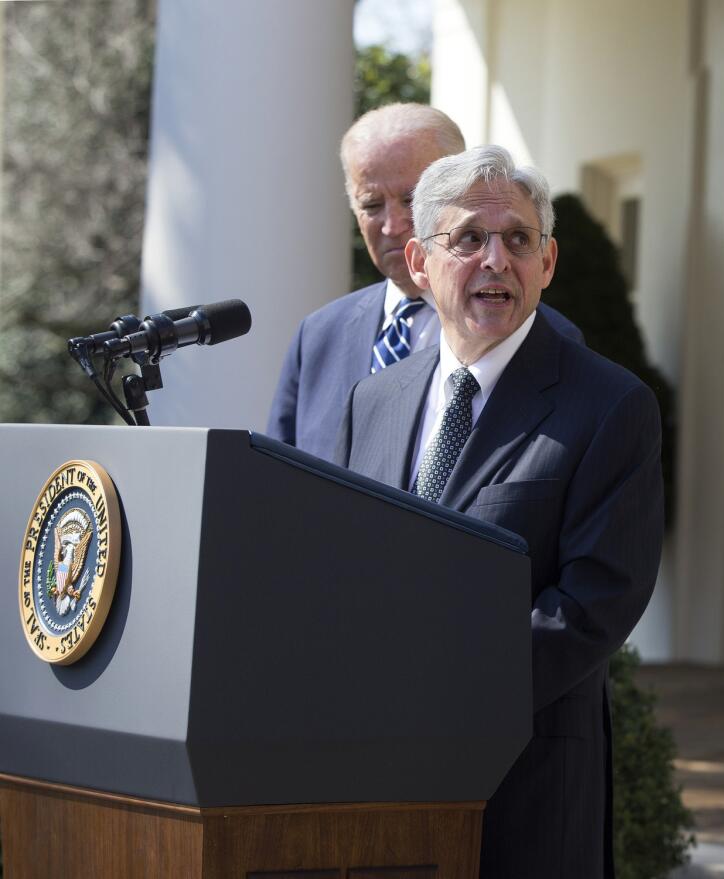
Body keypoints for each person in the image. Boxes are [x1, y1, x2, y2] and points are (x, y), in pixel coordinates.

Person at [335, 144, 663, 878]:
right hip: (375, 793)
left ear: (547, 263)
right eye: (469, 240)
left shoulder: (609, 407)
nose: (495, 260)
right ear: (420, 264)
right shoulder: (374, 400)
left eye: (518, 239)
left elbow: (593, 604)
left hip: (525, 793)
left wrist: (431, 694)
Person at [267, 103, 581, 460]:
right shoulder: (320, 335)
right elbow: (277, 481)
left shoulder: (551, 340)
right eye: (371, 204)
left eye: (411, 199)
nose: (392, 224)